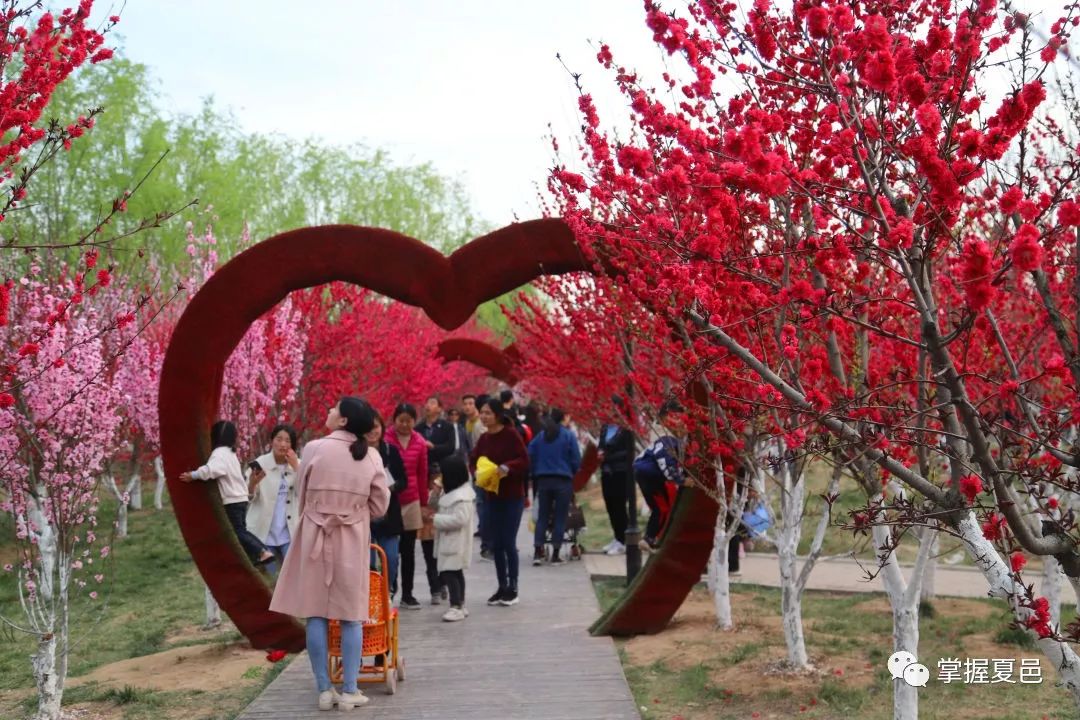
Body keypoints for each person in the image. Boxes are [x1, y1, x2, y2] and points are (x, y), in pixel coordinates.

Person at [269, 397, 390, 711]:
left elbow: (303, 494)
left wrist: (315, 515)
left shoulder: (314, 448)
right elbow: (380, 506)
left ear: (344, 420)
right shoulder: (372, 456)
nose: (329, 411)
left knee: (315, 614)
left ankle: (325, 689)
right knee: (351, 616)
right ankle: (350, 689)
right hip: (351, 537)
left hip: (314, 535)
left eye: (334, 409)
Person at [180, 420, 275, 567]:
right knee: (242, 531)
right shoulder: (231, 454)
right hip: (241, 498)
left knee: (238, 532)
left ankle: (262, 552)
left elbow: (212, 470)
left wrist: (193, 475)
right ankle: (261, 552)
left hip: (232, 500)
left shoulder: (219, 454)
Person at [470, 397, 530, 606]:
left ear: (497, 414)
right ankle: (501, 585)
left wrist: (507, 467)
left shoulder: (511, 435)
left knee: (508, 542)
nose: (484, 416)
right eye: (482, 413)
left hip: (512, 496)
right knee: (496, 543)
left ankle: (513, 587)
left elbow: (524, 460)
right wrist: (478, 473)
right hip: (491, 496)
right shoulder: (485, 438)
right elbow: (474, 459)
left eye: (487, 413)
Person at [385, 403, 439, 610]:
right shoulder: (386, 440)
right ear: (394, 420)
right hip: (390, 500)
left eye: (409, 420)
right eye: (401, 420)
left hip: (412, 499)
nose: (405, 424)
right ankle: (391, 589)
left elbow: (422, 473)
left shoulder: (419, 442)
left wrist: (424, 503)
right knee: (391, 549)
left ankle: (408, 593)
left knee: (408, 549)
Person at [245, 423, 301, 575]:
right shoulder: (260, 464)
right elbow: (247, 498)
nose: (282, 444)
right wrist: (252, 483)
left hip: (289, 534)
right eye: (279, 439)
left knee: (291, 579)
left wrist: (296, 468)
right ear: (272, 441)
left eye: (287, 441)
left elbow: (307, 494)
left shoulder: (298, 466)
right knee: (270, 580)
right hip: (264, 534)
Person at [528, 409, 581, 566]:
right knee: (560, 517)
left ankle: (538, 551)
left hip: (543, 480)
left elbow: (530, 453)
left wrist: (537, 469)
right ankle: (556, 554)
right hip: (563, 481)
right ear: (564, 417)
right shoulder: (568, 435)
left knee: (542, 517)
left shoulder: (541, 436)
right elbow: (576, 459)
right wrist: (570, 471)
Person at [633, 402, 687, 549]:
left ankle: (654, 538)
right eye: (677, 418)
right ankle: (650, 538)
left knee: (661, 507)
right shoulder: (666, 438)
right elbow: (664, 461)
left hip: (648, 474)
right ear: (665, 419)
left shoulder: (667, 436)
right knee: (662, 508)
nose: (682, 424)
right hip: (651, 475)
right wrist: (680, 479)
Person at [366, 410, 408, 598]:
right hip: (364, 516)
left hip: (388, 515)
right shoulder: (356, 453)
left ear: (382, 428)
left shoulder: (391, 452)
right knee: (367, 562)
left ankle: (387, 592)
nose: (372, 431)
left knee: (390, 559)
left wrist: (389, 488)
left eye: (375, 426)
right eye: (368, 427)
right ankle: (371, 596)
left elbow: (403, 481)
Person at [433, 455, 476, 622]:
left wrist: (436, 520)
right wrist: (435, 492)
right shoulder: (449, 492)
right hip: (449, 541)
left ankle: (456, 605)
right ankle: (460, 604)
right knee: (454, 572)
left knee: (451, 573)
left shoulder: (462, 497)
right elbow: (433, 503)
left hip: (456, 542)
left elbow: (460, 519)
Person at [596, 414, 635, 556]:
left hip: (621, 472)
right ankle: (617, 537)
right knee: (610, 505)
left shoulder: (625, 429)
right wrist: (600, 452)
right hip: (607, 472)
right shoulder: (605, 428)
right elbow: (601, 444)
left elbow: (628, 452)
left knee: (619, 506)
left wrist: (608, 456)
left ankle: (624, 541)